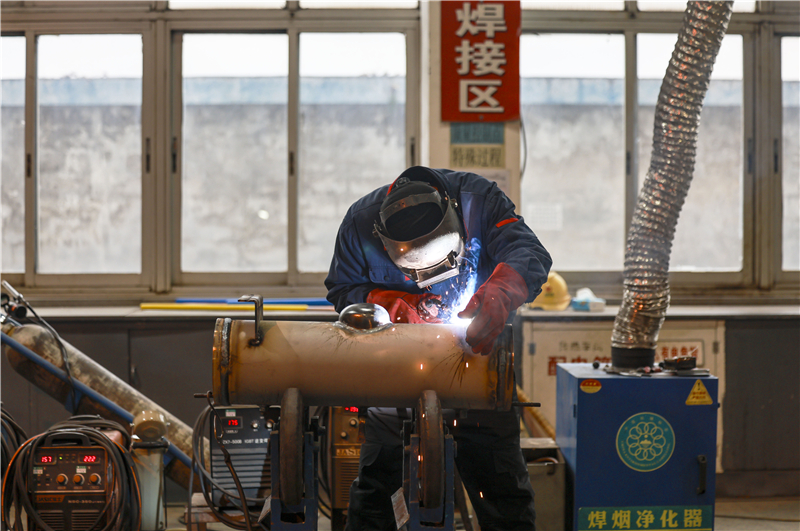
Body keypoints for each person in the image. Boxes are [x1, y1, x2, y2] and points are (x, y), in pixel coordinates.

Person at [325, 166, 552, 531]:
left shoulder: (479, 201)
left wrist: (500, 292)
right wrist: (398, 306)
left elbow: (528, 253)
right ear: (384, 239)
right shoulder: (359, 223)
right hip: (395, 379)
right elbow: (342, 290)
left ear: (454, 217)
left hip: (478, 371)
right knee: (376, 498)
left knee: (503, 496)